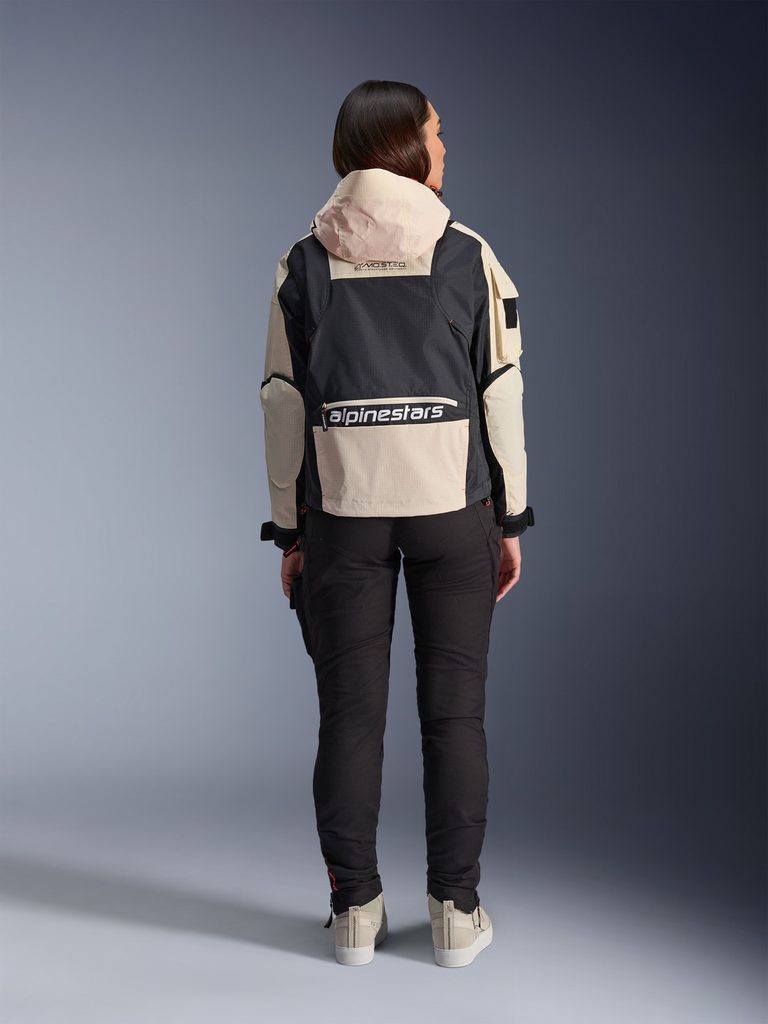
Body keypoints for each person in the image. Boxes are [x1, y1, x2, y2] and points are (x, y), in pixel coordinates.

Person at [259, 80, 535, 967]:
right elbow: (500, 392)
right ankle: (455, 912)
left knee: (349, 718)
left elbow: (282, 403)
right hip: (454, 510)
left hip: (343, 516)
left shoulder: (302, 263)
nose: (445, 148)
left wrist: (290, 531)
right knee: (455, 717)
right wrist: (511, 517)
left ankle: (354, 912)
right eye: (436, 133)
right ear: (406, 146)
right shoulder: (469, 254)